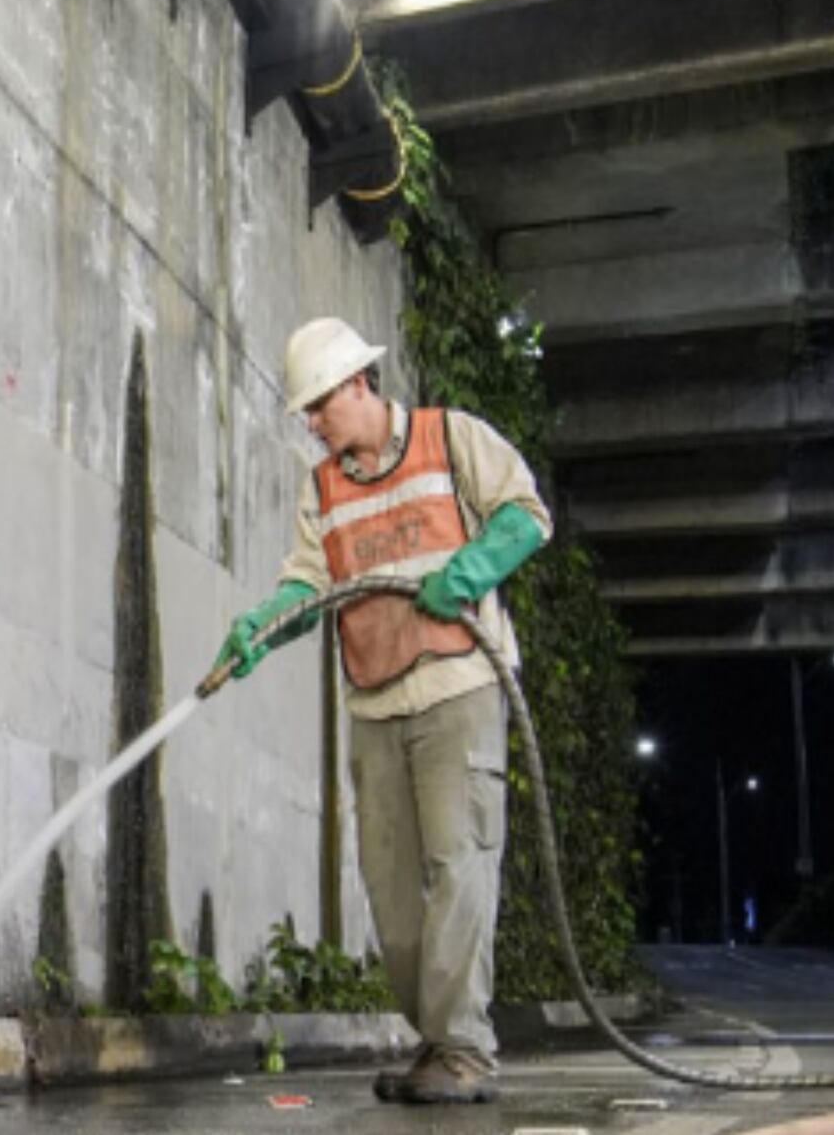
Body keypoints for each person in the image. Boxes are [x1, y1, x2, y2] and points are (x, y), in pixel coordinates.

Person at [213, 317, 551, 1105]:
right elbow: (310, 583)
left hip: (459, 688)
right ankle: (436, 1039)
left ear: (358, 385)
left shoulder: (450, 438)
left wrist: (468, 572)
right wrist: (267, 622)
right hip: (375, 703)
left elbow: (527, 514)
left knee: (459, 864)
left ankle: (464, 1052)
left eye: (319, 405)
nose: (312, 422)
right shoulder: (322, 487)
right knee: (392, 887)